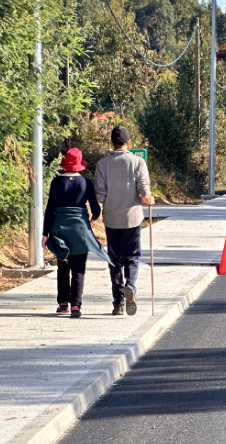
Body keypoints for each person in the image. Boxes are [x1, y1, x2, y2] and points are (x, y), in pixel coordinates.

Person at [95, 126, 154, 316]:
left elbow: (100, 195)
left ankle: (118, 303)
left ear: (112, 143)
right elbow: (144, 191)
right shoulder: (138, 162)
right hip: (132, 218)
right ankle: (130, 286)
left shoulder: (102, 164)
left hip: (111, 218)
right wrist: (150, 199)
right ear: (129, 143)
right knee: (132, 256)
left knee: (114, 260)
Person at [42, 148, 108, 318]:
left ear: (65, 164)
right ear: (80, 164)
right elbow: (95, 208)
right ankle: (76, 306)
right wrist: (92, 219)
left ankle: (63, 303)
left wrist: (45, 233)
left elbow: (50, 209)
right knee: (78, 268)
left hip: (59, 229)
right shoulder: (86, 183)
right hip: (79, 230)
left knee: (63, 265)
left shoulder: (56, 182)